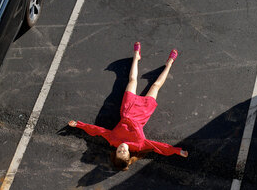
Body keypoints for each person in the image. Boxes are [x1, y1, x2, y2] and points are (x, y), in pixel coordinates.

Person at [69, 42, 188, 171]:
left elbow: (98, 131)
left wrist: (78, 125)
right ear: (129, 154)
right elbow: (158, 147)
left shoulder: (113, 140)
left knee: (132, 80)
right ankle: (169, 63)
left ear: (115, 152)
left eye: (118, 152)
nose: (121, 149)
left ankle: (136, 56)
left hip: (128, 107)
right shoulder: (139, 145)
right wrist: (177, 151)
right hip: (144, 111)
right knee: (155, 86)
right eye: (123, 152)